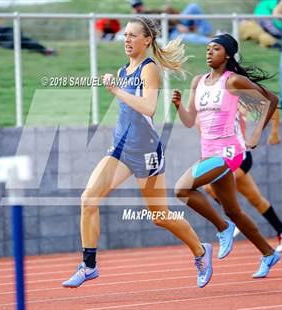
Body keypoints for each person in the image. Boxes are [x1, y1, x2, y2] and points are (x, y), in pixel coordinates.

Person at [62, 16, 213, 289]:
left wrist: (116, 90)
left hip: (146, 152)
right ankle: (89, 265)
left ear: (147, 40)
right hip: (121, 149)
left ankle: (201, 251)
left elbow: (148, 107)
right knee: (88, 199)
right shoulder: (123, 71)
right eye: (125, 35)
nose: (127, 40)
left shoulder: (149, 69)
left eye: (133, 35)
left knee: (159, 216)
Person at [173, 33, 281, 278]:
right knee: (233, 210)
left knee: (181, 189)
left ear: (229, 54)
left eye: (216, 49)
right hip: (208, 153)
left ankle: (222, 228)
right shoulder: (198, 81)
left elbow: (271, 100)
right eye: (208, 48)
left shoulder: (233, 82)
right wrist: (179, 106)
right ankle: (268, 253)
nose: (209, 52)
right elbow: (190, 121)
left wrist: (255, 136)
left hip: (229, 153)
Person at [203, 109, 282, 253]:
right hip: (224, 157)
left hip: (240, 158)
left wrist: (274, 132)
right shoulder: (211, 101)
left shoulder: (237, 95)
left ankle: (236, 218)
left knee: (209, 185)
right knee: (256, 199)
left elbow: (273, 107)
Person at [130, 0, 213, 45]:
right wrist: (176, 27)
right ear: (133, 9)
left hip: (178, 21)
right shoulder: (139, 21)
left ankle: (207, 33)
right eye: (136, 6)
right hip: (171, 33)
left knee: (193, 7)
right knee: (192, 38)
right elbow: (156, 31)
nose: (139, 7)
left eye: (139, 4)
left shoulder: (149, 11)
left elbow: (165, 13)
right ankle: (212, 41)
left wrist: (171, 11)